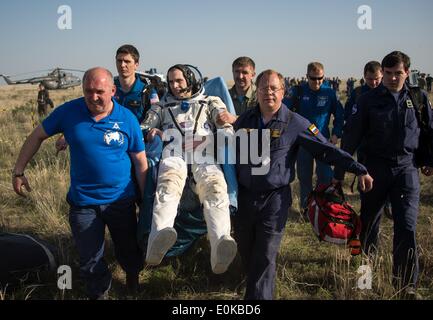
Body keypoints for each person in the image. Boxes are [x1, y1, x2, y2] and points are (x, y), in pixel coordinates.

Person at [233, 69, 373, 300]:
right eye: (263, 88)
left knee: (266, 254)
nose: (268, 92)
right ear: (256, 91)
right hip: (245, 197)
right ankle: (259, 289)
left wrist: (358, 168)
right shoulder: (244, 120)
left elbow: (326, 150)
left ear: (283, 91)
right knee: (247, 252)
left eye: (273, 88)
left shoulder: (295, 123)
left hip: (274, 200)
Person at [12, 67, 148, 299]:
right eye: (88, 91)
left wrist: (145, 200)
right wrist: (18, 171)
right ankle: (99, 292)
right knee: (89, 256)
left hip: (120, 201)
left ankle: (132, 280)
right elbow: (37, 136)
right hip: (83, 202)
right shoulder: (68, 112)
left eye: (99, 92)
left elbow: (140, 162)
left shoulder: (127, 119)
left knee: (127, 248)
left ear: (113, 91)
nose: (93, 97)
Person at [335, 51, 433, 298]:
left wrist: (429, 160)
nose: (391, 78)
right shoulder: (367, 100)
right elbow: (351, 138)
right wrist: (339, 174)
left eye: (397, 73)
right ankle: (365, 280)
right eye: (387, 73)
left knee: (407, 227)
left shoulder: (418, 97)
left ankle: (406, 286)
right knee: (368, 226)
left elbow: (429, 130)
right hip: (374, 171)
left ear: (407, 72)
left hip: (406, 170)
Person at [141, 64, 237, 274]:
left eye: (179, 81)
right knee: (169, 182)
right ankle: (158, 236)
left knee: (215, 186)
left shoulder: (210, 102)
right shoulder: (162, 106)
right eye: (171, 82)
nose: (174, 86)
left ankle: (221, 243)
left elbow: (226, 129)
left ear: (191, 80)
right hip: (174, 153)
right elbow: (145, 126)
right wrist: (151, 132)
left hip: (204, 153)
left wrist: (221, 128)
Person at [283, 62, 344, 210]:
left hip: (323, 142)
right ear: (307, 76)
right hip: (303, 142)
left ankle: (323, 208)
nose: (317, 81)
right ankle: (307, 209)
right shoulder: (298, 92)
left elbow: (340, 115)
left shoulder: (329, 93)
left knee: (325, 176)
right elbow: (284, 111)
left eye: (320, 78)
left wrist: (336, 133)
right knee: (304, 178)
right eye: (313, 78)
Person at [343, 61, 393, 219]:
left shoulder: (388, 92)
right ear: (364, 77)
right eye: (370, 79)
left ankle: (388, 203)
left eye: (377, 79)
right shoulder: (358, 93)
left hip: (385, 144)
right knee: (364, 173)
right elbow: (349, 114)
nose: (374, 82)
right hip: (364, 145)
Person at [218, 56, 257, 125]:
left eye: (245, 72)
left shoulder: (260, 96)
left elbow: (262, 120)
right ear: (232, 72)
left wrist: (234, 119)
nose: (240, 76)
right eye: (237, 72)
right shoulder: (224, 97)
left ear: (253, 75)